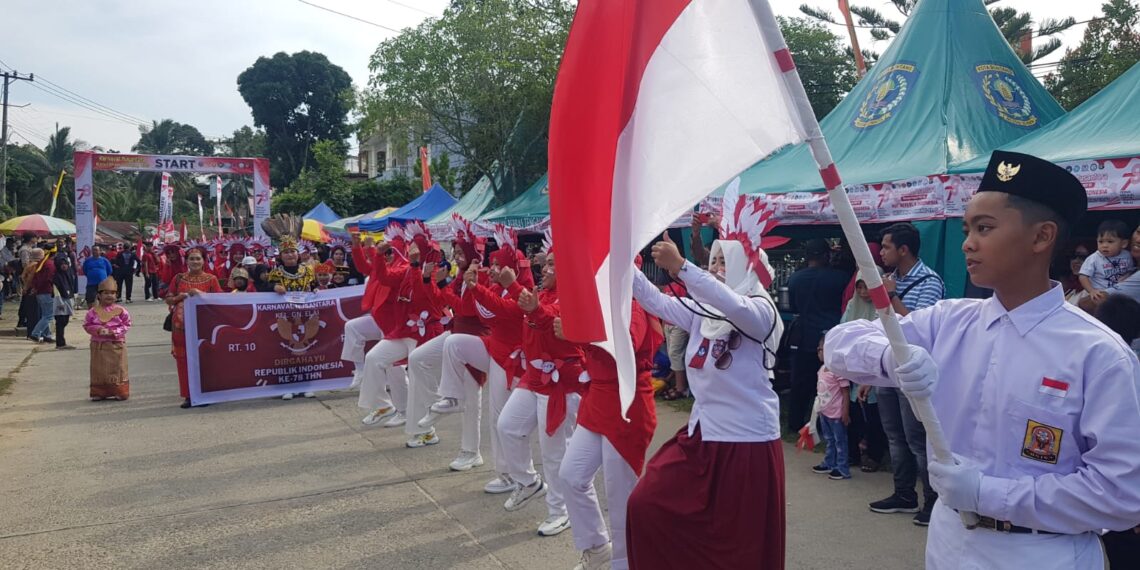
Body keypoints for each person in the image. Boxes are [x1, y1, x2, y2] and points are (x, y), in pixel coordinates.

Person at [825, 150, 1140, 570]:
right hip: (949, 542)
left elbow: (1122, 493)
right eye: (966, 228)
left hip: (1041, 552)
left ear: (1041, 237)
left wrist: (989, 494)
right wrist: (888, 353)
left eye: (984, 228)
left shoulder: (1096, 352)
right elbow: (837, 345)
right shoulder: (948, 322)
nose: (967, 243)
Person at [628, 197, 786, 569]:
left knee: (738, 547)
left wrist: (683, 268)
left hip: (745, 443)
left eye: (722, 260)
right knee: (645, 504)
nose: (714, 267)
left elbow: (737, 308)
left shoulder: (762, 311)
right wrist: (621, 258)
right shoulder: (704, 311)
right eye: (711, 260)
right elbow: (655, 301)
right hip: (703, 436)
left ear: (744, 266)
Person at [557, 290, 662, 570]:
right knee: (570, 475)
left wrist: (577, 333)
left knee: (620, 494)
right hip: (597, 401)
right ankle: (597, 547)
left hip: (627, 405)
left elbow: (625, 346)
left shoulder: (634, 306)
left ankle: (627, 563)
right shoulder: (598, 303)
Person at [426, 226, 535, 492]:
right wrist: (474, 287)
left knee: (506, 420)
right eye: (493, 263)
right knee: (454, 344)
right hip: (496, 351)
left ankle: (517, 475)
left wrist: (476, 289)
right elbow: (484, 312)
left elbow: (505, 311)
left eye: (499, 265)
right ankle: (452, 397)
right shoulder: (496, 286)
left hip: (515, 362)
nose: (493, 268)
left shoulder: (523, 291)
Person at [495, 241, 585, 538]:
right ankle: (529, 482)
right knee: (507, 427)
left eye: (552, 265)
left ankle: (561, 512)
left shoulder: (574, 297)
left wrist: (515, 290)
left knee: (555, 451)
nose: (544, 269)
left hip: (561, 382)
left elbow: (548, 318)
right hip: (534, 377)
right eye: (544, 263)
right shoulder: (542, 293)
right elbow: (529, 308)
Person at [872, 221, 945, 525]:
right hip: (888, 366)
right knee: (894, 434)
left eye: (887, 247)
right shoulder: (889, 279)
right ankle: (903, 493)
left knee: (918, 438)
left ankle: (932, 501)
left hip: (913, 368)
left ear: (904, 250)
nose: (881, 252)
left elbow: (921, 327)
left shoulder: (929, 280)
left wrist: (891, 297)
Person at [407, 217, 490, 457]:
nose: (456, 256)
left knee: (473, 401)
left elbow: (466, 308)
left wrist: (443, 285)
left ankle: (470, 453)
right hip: (456, 335)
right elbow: (438, 300)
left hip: (476, 339)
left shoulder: (479, 276)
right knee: (417, 358)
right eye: (454, 252)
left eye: (460, 252)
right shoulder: (459, 277)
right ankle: (437, 405)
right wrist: (426, 277)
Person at [358, 223, 447, 435]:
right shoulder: (407, 269)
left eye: (415, 246)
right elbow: (385, 278)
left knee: (417, 384)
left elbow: (422, 295)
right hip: (403, 330)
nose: (411, 250)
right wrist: (378, 256)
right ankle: (384, 404)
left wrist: (416, 266)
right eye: (410, 246)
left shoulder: (433, 270)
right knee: (373, 358)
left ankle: (425, 432)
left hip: (423, 332)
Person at [785, 238, 849, 433]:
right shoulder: (841, 278)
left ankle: (795, 422)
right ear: (826, 255)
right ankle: (823, 424)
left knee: (799, 383)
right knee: (827, 384)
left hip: (803, 337)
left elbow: (793, 307)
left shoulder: (795, 278)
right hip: (829, 337)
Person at [166, 246, 223, 409]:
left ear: (204, 261)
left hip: (204, 326)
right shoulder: (178, 279)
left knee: (205, 360)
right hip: (181, 326)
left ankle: (205, 394)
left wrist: (201, 295)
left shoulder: (211, 279)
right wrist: (180, 297)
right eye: (192, 259)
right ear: (187, 261)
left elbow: (219, 301)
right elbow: (168, 299)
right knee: (184, 361)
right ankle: (188, 395)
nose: (195, 261)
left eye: (198, 258)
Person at [841, 279, 887, 472]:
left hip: (877, 364)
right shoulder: (853, 304)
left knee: (874, 414)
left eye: (867, 286)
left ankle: (874, 455)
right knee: (853, 411)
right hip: (854, 364)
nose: (862, 292)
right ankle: (852, 453)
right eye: (859, 287)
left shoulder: (883, 306)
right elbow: (843, 329)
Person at [83, 277, 132, 401]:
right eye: (105, 293)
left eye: (112, 293)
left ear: (116, 295)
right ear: (99, 295)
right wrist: (98, 330)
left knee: (118, 369)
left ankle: (119, 391)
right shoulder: (92, 312)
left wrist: (114, 331)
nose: (109, 295)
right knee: (98, 370)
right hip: (98, 345)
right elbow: (87, 325)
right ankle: (99, 392)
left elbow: (127, 324)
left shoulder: (121, 311)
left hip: (116, 344)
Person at [810, 336, 851, 480]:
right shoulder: (821, 369)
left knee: (840, 440)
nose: (818, 352)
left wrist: (845, 412)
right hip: (824, 412)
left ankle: (842, 468)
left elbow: (845, 392)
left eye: (821, 349)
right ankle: (829, 463)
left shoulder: (837, 370)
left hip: (837, 413)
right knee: (829, 439)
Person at [1077, 219, 1134, 304]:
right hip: (1098, 295)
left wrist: (1126, 277)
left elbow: (1131, 271)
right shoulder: (1094, 258)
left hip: (1119, 295)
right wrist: (1091, 291)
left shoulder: (1127, 256)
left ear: (1124, 244)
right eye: (1100, 241)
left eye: (1110, 242)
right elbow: (1083, 276)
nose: (1104, 245)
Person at [28, 248, 56, 343]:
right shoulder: (49, 264)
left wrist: (35, 288)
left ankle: (46, 335)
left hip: (40, 292)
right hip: (46, 291)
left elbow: (35, 279)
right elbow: (48, 279)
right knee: (49, 315)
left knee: (45, 315)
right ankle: (35, 333)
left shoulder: (40, 264)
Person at [52, 254, 77, 350]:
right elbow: (56, 290)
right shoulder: (56, 276)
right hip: (59, 300)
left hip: (68, 299)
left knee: (65, 320)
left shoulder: (69, 272)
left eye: (65, 264)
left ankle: (61, 342)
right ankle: (60, 343)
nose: (64, 266)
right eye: (61, 264)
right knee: (60, 321)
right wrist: (60, 302)